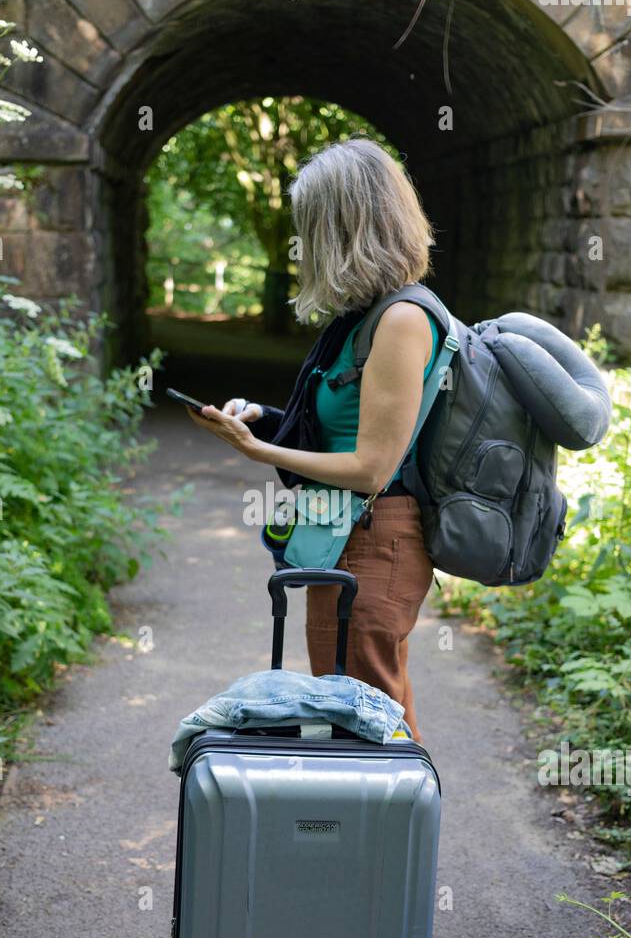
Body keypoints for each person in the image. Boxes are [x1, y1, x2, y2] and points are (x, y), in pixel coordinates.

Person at [185, 137, 440, 742]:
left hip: (372, 541)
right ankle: (385, 834)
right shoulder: (364, 315)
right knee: (371, 711)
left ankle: (385, 835)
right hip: (346, 535)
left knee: (367, 722)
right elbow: (346, 428)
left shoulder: (401, 319)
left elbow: (372, 467)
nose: (305, 244)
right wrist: (267, 420)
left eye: (312, 226)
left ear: (344, 226)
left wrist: (257, 452)